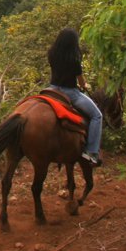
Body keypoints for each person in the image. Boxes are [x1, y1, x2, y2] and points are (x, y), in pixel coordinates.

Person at [47, 27, 103, 166]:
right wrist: (85, 86)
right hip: (70, 93)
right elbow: (81, 82)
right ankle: (91, 152)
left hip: (52, 89)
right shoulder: (74, 59)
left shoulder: (52, 53)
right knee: (97, 116)